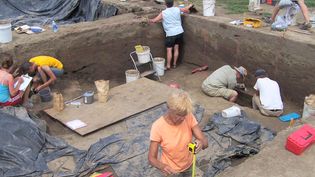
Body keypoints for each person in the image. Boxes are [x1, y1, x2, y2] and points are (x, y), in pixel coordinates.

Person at [148, 91, 208, 176]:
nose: (183, 118)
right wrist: (162, 166)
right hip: (172, 171)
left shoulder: (189, 116)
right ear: (169, 108)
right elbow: (151, 158)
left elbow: (205, 143)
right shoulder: (158, 127)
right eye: (178, 115)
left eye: (184, 115)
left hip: (189, 165)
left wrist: (201, 143)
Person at [149, 0, 193, 70]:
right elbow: (185, 10)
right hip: (179, 32)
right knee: (176, 48)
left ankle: (168, 66)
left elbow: (155, 20)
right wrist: (190, 5)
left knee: (169, 50)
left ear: (165, 4)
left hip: (170, 34)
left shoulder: (163, 13)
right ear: (173, 4)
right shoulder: (177, 9)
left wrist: (149, 20)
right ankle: (174, 64)